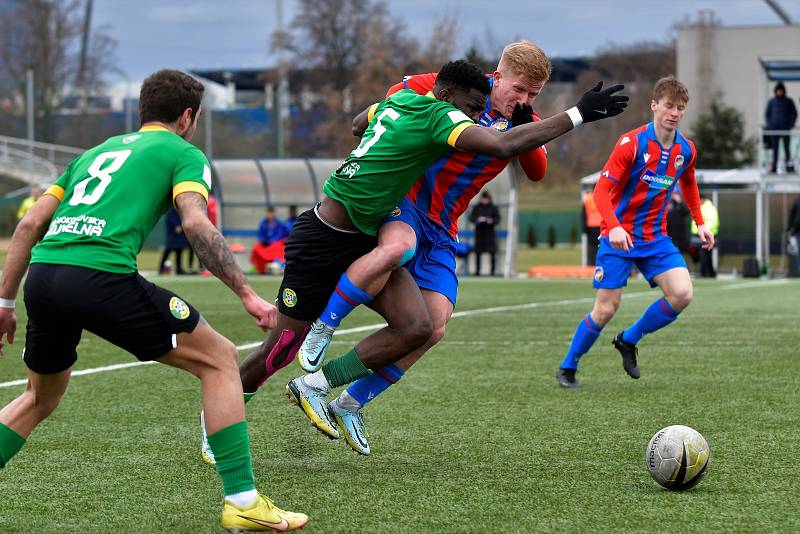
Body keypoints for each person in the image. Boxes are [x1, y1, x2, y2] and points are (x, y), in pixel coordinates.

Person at [198, 58, 628, 461]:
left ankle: (333, 391)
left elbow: (361, 121)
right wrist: (577, 114)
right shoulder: (439, 106)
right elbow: (496, 145)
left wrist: (378, 121)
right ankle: (230, 410)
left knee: (424, 326)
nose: (523, 101)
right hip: (334, 233)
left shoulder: (428, 102)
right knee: (281, 350)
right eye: (518, 90)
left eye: (533, 96)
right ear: (493, 76)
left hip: (384, 230)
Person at [0, 69, 308, 532]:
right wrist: (246, 293)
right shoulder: (184, 154)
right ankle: (243, 501)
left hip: (42, 278)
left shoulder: (94, 153)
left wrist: (4, 305)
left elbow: (27, 228)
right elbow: (197, 225)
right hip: (100, 276)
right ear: (187, 116)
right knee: (221, 359)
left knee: (37, 398)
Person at [556, 76, 714, 388]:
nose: (674, 113)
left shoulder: (686, 149)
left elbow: (689, 184)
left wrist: (701, 222)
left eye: (680, 108)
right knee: (605, 309)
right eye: (669, 106)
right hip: (619, 235)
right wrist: (613, 226)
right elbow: (601, 191)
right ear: (654, 105)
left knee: (682, 294)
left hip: (655, 237)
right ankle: (568, 366)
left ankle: (629, 339)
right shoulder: (632, 143)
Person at [764, 82, 797, 174]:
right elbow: (767, 115)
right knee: (775, 149)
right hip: (774, 130)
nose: (779, 92)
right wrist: (770, 126)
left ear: (783, 91)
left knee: (787, 149)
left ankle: (789, 167)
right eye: (778, 90)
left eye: (781, 90)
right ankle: (774, 167)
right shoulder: (772, 102)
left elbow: (794, 114)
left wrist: (790, 124)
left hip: (785, 129)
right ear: (775, 91)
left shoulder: (788, 101)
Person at [250, 206, 290, 274]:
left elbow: (280, 236)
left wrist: (272, 241)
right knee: (256, 248)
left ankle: (278, 266)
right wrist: (264, 241)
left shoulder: (279, 223)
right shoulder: (263, 223)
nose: (270, 215)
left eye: (271, 213)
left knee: (277, 247)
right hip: (266, 245)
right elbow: (261, 235)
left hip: (275, 244)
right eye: (268, 213)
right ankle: (260, 269)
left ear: (274, 213)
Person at [469, 190, 501, 276]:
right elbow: (471, 218)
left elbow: (498, 219)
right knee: (478, 253)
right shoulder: (477, 207)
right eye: (483, 199)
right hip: (479, 234)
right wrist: (477, 220)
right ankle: (477, 271)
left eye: (486, 199)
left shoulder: (493, 208)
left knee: (492, 252)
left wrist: (492, 221)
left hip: (490, 234)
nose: (484, 201)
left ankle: (492, 272)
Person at [691, 192, 719, 278]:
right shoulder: (703, 207)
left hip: (706, 235)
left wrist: (705, 231)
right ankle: (710, 273)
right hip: (701, 235)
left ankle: (704, 273)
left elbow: (713, 222)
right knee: (706, 255)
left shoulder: (707, 208)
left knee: (704, 254)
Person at [159, 208, 188, 274]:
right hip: (172, 237)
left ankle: (179, 269)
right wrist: (177, 225)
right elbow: (176, 226)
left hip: (178, 238)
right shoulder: (171, 212)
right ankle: (161, 268)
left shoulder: (180, 211)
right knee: (167, 252)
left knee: (179, 253)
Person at [667, 189, 690, 256]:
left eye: (675, 194)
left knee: (680, 255)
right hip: (669, 235)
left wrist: (680, 202)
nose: (673, 196)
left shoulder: (680, 204)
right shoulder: (667, 203)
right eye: (672, 194)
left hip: (680, 236)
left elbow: (687, 212)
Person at [582, 191, 602, 265]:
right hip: (601, 225)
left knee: (592, 247)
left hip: (590, 225)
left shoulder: (588, 198)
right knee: (601, 246)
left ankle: (591, 264)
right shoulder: (604, 196)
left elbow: (584, 214)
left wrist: (584, 229)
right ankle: (600, 263)